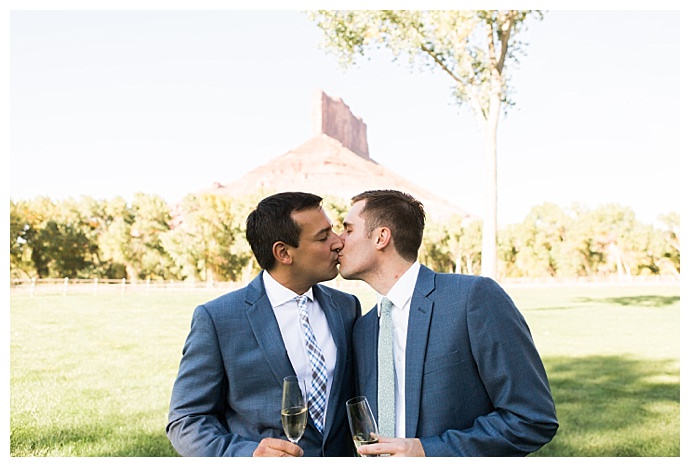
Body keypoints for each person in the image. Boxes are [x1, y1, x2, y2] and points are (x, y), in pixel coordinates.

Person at [337, 189, 558, 457]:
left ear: (381, 237)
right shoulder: (363, 328)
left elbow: (532, 418)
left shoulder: (472, 298)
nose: (338, 242)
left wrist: (429, 452)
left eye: (348, 230)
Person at [166, 192, 361, 457]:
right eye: (323, 236)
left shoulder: (348, 308)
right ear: (283, 252)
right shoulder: (218, 319)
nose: (338, 242)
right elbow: (186, 419)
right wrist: (247, 456)